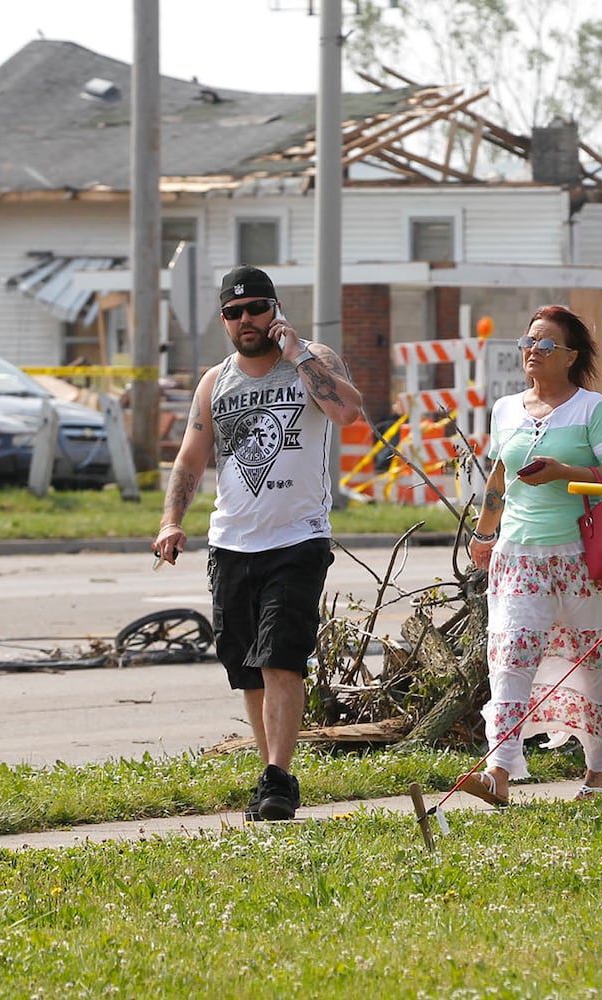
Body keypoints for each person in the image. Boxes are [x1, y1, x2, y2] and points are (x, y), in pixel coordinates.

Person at [151, 265, 364, 821]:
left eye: (256, 309)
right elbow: (192, 458)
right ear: (224, 320)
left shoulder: (313, 360)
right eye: (234, 312)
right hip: (232, 544)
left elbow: (348, 412)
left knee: (280, 659)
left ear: (275, 311)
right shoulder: (214, 381)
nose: (246, 320)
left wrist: (297, 354)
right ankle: (270, 767)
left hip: (298, 538)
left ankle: (279, 778)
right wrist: (171, 521)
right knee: (247, 666)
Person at [458, 305, 602, 806]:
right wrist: (484, 532)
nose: (531, 353)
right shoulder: (505, 409)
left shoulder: (591, 408)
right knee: (510, 657)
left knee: (596, 662)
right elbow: (499, 476)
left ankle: (597, 776)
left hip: (584, 557)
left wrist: (565, 471)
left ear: (570, 356)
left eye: (544, 345)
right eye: (527, 343)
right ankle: (499, 772)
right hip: (518, 554)